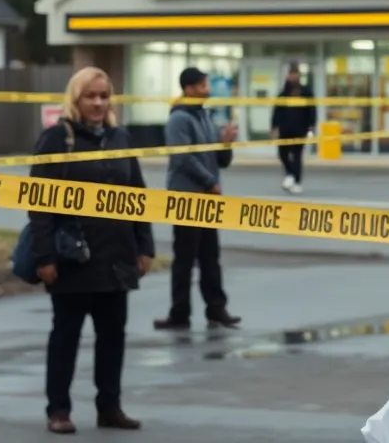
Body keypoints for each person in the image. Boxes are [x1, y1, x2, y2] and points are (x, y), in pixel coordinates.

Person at [27, 67, 155, 434]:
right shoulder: (57, 139)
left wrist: (144, 245)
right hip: (72, 259)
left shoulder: (120, 138)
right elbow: (39, 204)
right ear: (76, 98)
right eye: (91, 96)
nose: (98, 103)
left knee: (113, 336)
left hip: (117, 257)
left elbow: (139, 196)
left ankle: (109, 406)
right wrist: (45, 255)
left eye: (104, 96)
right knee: (66, 335)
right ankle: (59, 409)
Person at [153, 67, 242, 331]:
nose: (208, 88)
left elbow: (219, 160)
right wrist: (209, 181)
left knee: (209, 256)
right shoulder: (179, 119)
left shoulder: (204, 116)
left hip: (207, 197)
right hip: (187, 197)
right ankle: (179, 313)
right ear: (189, 89)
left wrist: (226, 143)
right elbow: (182, 158)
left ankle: (216, 309)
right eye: (203, 84)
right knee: (185, 257)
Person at [270, 63, 316, 194]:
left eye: (295, 74)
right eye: (290, 74)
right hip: (285, 129)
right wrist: (274, 127)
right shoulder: (283, 93)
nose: (292, 76)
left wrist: (311, 127)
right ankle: (290, 175)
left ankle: (296, 181)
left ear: (299, 75)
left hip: (300, 129)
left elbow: (312, 110)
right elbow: (277, 111)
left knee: (297, 155)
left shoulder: (306, 92)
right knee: (282, 153)